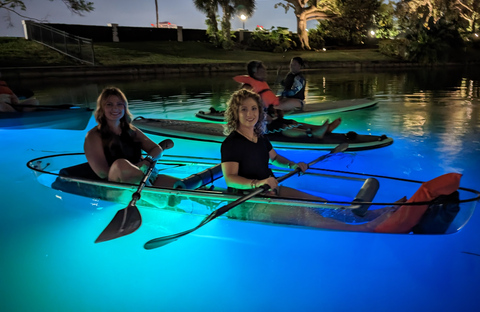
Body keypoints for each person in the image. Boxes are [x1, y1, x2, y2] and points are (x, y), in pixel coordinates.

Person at [220, 89, 395, 230]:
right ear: (235, 113)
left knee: (321, 204)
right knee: (303, 213)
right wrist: (257, 183)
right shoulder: (231, 144)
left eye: (254, 108)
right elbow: (231, 179)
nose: (250, 113)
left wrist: (292, 164)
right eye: (243, 109)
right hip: (247, 202)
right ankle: (365, 228)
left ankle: (370, 215)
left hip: (271, 190)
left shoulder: (260, 137)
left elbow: (274, 158)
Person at [84, 87, 177, 187]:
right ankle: (150, 193)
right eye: (109, 104)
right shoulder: (93, 135)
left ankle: (151, 191)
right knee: (121, 164)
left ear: (124, 107)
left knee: (179, 186)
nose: (115, 108)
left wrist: (147, 161)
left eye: (119, 104)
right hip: (114, 184)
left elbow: (156, 149)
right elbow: (102, 173)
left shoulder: (131, 130)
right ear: (102, 108)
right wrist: (132, 169)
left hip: (143, 176)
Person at [234, 60, 340, 139]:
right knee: (282, 126)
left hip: (266, 119)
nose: (265, 72)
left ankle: (323, 129)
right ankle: (311, 134)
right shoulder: (248, 88)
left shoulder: (259, 84)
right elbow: (246, 110)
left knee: (292, 121)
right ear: (256, 72)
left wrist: (275, 111)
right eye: (263, 70)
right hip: (256, 125)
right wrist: (265, 117)